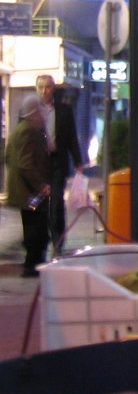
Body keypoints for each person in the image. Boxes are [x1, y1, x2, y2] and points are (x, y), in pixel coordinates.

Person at [36, 74, 84, 253]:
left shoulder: (64, 110)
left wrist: (78, 160)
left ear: (53, 88)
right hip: (38, 163)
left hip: (57, 161)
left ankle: (58, 241)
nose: (44, 91)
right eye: (40, 87)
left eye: (47, 87)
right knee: (38, 204)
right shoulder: (32, 110)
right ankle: (39, 241)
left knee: (56, 204)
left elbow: (72, 137)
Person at [5, 94, 52, 277]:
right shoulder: (29, 131)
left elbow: (8, 157)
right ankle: (33, 265)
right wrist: (41, 185)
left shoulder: (19, 130)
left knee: (33, 227)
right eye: (40, 111)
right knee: (37, 229)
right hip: (30, 192)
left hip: (24, 190)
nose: (43, 115)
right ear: (34, 112)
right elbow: (26, 164)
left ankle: (32, 263)